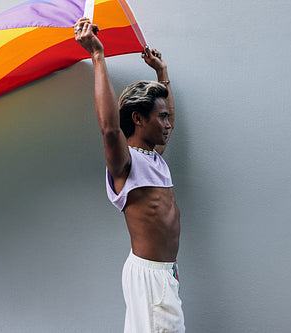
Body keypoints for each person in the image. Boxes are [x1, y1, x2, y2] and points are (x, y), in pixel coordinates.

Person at [75, 17, 185, 332]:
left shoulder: (155, 159)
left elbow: (171, 120)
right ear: (137, 118)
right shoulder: (126, 163)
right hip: (151, 276)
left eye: (167, 117)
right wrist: (97, 55)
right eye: (161, 117)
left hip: (165, 273)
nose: (167, 124)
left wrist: (161, 73)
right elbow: (109, 128)